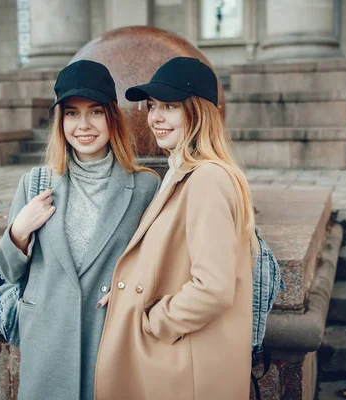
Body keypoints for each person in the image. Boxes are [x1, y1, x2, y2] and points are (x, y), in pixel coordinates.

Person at [0, 60, 160, 400]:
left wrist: (134, 291)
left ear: (112, 117)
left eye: (95, 112)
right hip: (47, 346)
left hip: (111, 342)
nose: (83, 125)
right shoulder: (35, 183)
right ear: (61, 122)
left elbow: (159, 263)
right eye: (72, 113)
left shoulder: (145, 187)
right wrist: (20, 231)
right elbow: (7, 272)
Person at [94, 57, 255, 400]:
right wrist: (128, 292)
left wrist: (156, 321)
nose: (155, 118)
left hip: (186, 369)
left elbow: (213, 288)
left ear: (198, 112)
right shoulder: (184, 171)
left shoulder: (207, 178)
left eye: (169, 106)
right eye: (152, 106)